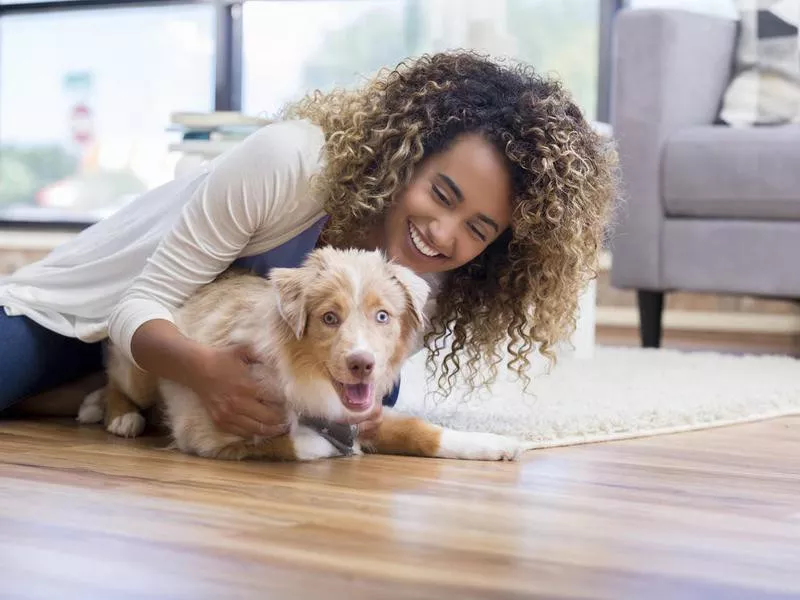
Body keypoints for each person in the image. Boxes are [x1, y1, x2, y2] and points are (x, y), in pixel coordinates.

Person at [0, 51, 618, 438]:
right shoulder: (291, 162)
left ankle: (97, 396)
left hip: (156, 361)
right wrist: (208, 374)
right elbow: (140, 301)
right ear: (410, 155)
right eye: (444, 193)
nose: (444, 234)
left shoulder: (427, 276)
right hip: (80, 311)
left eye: (479, 229)